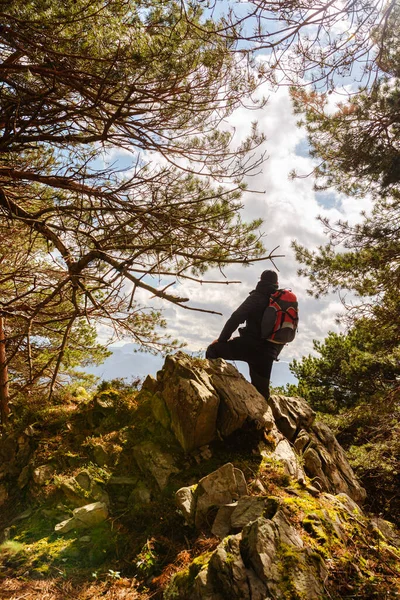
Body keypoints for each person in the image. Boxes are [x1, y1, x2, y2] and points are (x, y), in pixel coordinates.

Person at [205, 270, 283, 400]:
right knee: (262, 394)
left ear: (260, 280)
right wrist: (273, 353)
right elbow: (286, 332)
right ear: (276, 283)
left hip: (248, 346)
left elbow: (236, 318)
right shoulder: (280, 302)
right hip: (268, 353)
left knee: (213, 350)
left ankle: (215, 393)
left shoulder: (257, 297)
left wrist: (222, 340)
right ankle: (263, 419)